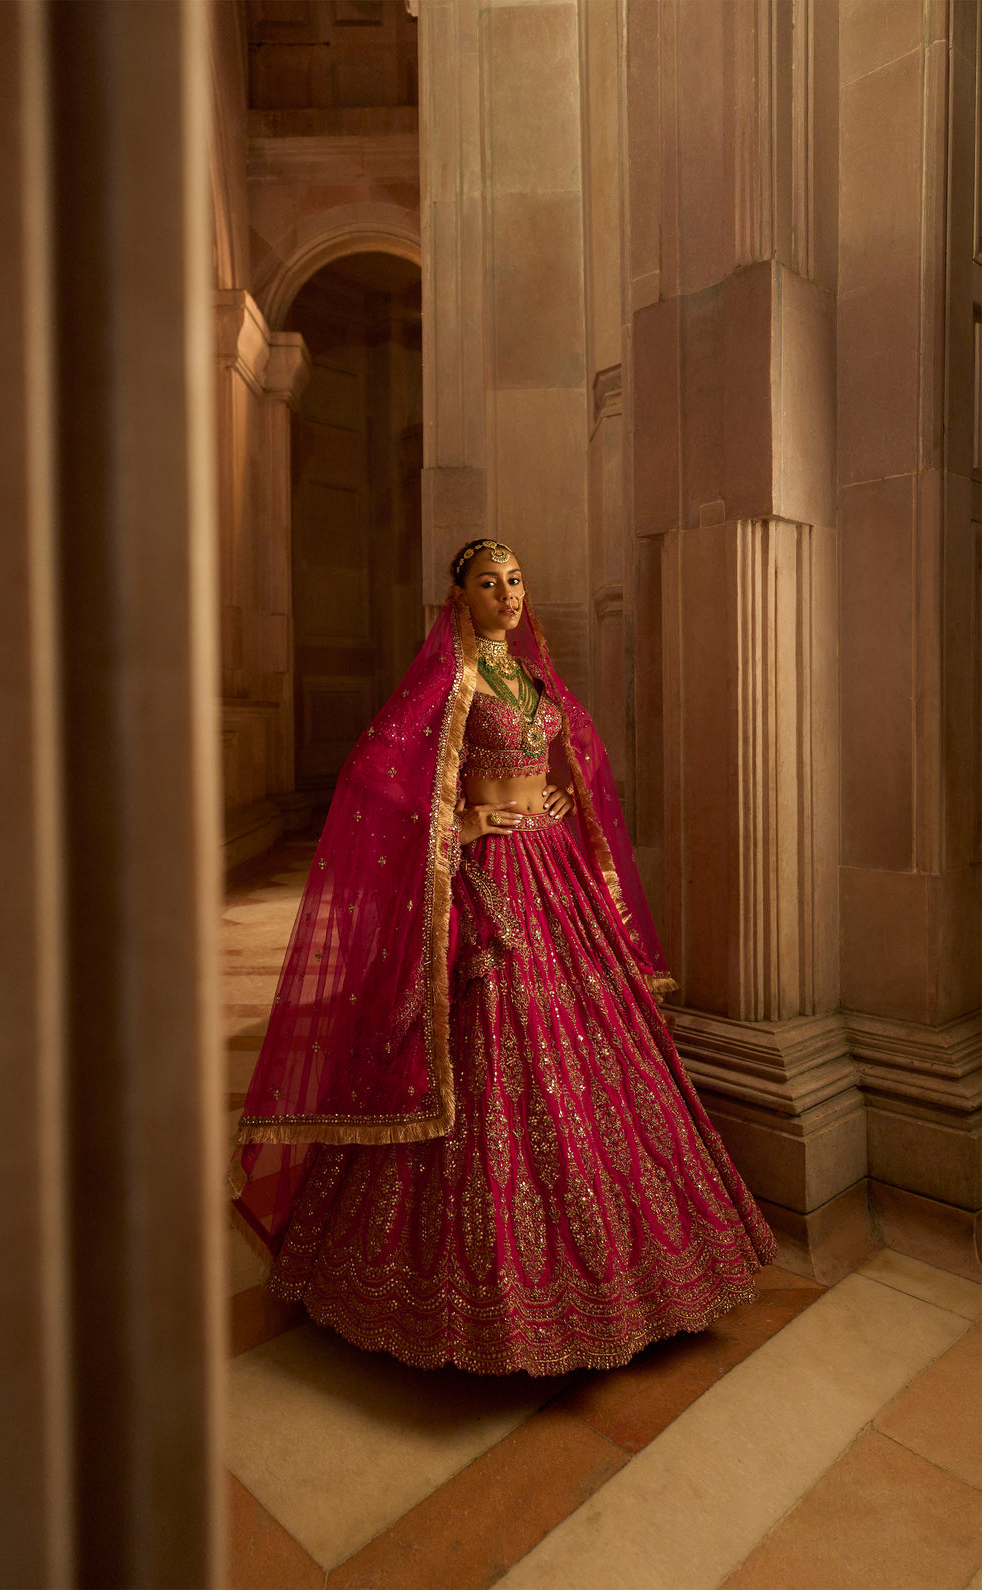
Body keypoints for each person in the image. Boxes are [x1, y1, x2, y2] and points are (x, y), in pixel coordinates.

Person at [230, 540, 778, 1375]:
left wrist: (561, 794)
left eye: (517, 579)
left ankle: (638, 1279)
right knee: (487, 1045)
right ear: (459, 596)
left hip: (553, 870)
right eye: (490, 582)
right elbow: (375, 782)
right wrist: (463, 828)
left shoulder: (530, 676)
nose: (509, 594)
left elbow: (573, 751)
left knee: (600, 1048)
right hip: (487, 880)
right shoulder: (449, 686)